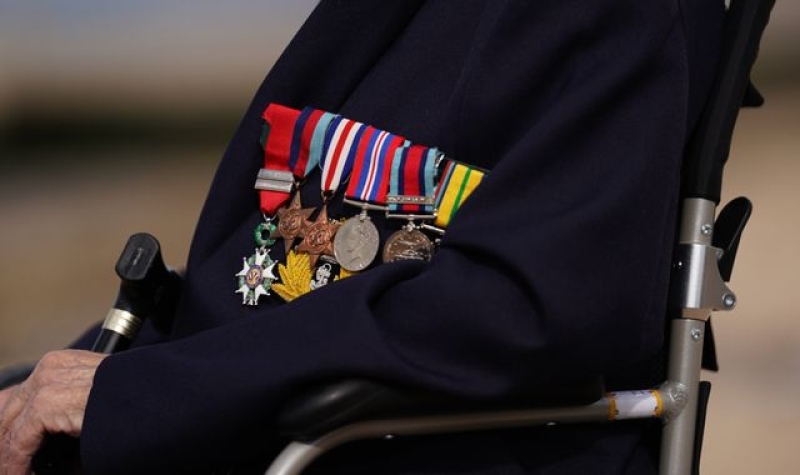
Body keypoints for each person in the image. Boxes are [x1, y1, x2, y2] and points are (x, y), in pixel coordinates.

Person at [0, 0, 725, 473]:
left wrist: (151, 392)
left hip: (375, 443)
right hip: (265, 411)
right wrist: (101, 377)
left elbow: (520, 307)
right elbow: (268, 272)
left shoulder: (620, 16)